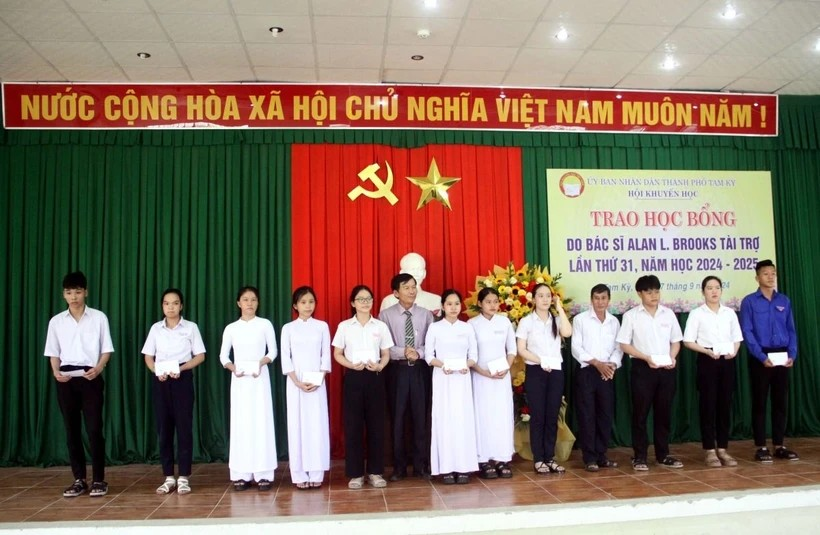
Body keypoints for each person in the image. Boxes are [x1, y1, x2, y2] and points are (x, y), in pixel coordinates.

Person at [44, 271, 114, 498]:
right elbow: (53, 352)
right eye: (68, 292)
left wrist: (99, 368)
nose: (73, 297)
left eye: (77, 292)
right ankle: (79, 479)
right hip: (66, 379)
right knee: (71, 429)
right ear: (63, 295)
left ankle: (99, 479)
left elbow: (106, 349)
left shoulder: (99, 318)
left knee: (94, 429)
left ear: (86, 292)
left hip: (90, 377)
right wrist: (56, 372)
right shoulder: (56, 321)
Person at [142, 288, 206, 494]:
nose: (171, 307)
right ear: (162, 306)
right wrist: (155, 371)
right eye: (167, 303)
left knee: (184, 428)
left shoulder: (191, 328)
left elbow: (200, 356)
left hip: (182, 379)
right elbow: (148, 356)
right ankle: (169, 476)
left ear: (181, 306)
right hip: (161, 380)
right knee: (164, 429)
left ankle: (184, 476)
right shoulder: (156, 329)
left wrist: (182, 368)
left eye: (175, 303)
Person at [617, 275, 684, 471]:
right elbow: (624, 344)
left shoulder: (668, 314)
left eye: (656, 291)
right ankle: (639, 456)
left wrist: (672, 357)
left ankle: (663, 455)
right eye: (648, 292)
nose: (653, 295)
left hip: (666, 369)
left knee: (664, 413)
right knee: (640, 414)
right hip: (642, 368)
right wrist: (646, 357)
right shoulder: (631, 316)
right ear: (639, 294)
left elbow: (676, 341)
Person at [332, 285, 393, 490]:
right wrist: (350, 365)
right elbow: (337, 353)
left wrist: (380, 366)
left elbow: (386, 354)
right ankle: (356, 474)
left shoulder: (380, 326)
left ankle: (376, 472)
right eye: (360, 299)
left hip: (375, 377)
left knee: (376, 426)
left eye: (368, 299)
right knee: (353, 426)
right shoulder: (344, 326)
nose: (365, 302)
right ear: (353, 303)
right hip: (353, 377)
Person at [740, 260, 799, 463]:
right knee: (760, 401)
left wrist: (792, 354)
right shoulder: (749, 301)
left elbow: (791, 330)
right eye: (766, 274)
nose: (770, 277)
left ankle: (779, 445)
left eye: (773, 273)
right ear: (757, 278)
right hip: (761, 356)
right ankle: (761, 446)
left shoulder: (784, 300)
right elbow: (747, 331)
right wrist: (761, 356)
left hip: (782, 355)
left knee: (780, 401)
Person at [219, 286, 278, 491]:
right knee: (241, 423)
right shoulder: (231, 328)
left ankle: (264, 474)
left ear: (258, 302)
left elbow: (273, 351)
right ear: (239, 303)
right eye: (245, 299)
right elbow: (223, 356)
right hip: (240, 382)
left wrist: (260, 363)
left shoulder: (265, 324)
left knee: (261, 422)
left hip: (259, 379)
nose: (249, 303)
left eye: (253, 299)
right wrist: (233, 368)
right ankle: (241, 474)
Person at [379, 273, 434, 481]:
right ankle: (399, 467)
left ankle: (421, 466)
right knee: (397, 418)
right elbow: (383, 346)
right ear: (395, 292)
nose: (412, 291)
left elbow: (432, 343)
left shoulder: (426, 315)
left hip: (420, 370)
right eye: (406, 287)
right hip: (397, 371)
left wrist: (418, 352)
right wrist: (403, 352)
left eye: (413, 286)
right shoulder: (385, 316)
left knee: (421, 418)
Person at [683, 276, 743, 468]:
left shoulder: (729, 313)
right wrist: (706, 351)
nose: (714, 291)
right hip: (707, 360)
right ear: (703, 292)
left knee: (725, 405)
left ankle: (723, 449)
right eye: (709, 288)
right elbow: (688, 341)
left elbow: (737, 338)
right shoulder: (696, 314)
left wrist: (734, 351)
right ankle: (709, 450)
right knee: (708, 405)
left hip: (727, 361)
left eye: (717, 287)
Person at [516, 283, 572, 474]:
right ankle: (539, 458)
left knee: (552, 415)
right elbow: (521, 349)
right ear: (533, 299)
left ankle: (550, 457)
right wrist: (541, 361)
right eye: (540, 296)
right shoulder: (526, 322)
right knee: (538, 416)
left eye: (548, 295)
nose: (545, 299)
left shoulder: (556, 320)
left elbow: (567, 333)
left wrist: (559, 309)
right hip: (536, 371)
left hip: (555, 371)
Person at [425, 289, 479, 484]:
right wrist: (443, 366)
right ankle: (446, 468)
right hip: (443, 378)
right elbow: (429, 356)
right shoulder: (435, 328)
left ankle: (463, 467)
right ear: (442, 306)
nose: (453, 307)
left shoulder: (467, 328)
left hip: (461, 379)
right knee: (444, 420)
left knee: (462, 420)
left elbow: (474, 355)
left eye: (457, 304)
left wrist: (467, 365)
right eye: (449, 304)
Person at [280, 286, 331, 489]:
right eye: (303, 302)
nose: (307, 306)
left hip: (317, 382)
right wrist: (296, 381)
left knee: (316, 425)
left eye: (311, 302)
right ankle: (299, 474)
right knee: (297, 425)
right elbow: (285, 357)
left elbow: (325, 356)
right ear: (295, 305)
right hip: (295, 383)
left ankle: (316, 473)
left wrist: (319, 378)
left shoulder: (322, 326)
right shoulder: (288, 328)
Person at [571, 283, 622, 473]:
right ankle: (589, 458)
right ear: (591, 299)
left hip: (607, 372)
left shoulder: (614, 322)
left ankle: (601, 455)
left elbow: (618, 348)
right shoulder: (580, 320)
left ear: (609, 300)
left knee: (605, 415)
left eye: (603, 298)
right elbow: (576, 348)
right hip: (587, 371)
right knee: (587, 415)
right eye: (596, 298)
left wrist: (612, 365)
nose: (600, 302)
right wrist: (596, 363)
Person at [468, 287, 516, 479]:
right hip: (480, 378)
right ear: (480, 303)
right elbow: (469, 354)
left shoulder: (504, 322)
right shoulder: (472, 324)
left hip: (501, 377)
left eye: (496, 301)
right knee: (483, 416)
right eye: (488, 302)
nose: (493, 305)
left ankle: (502, 458)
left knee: (501, 416)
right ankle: (483, 459)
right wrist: (483, 372)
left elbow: (512, 350)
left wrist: (506, 367)